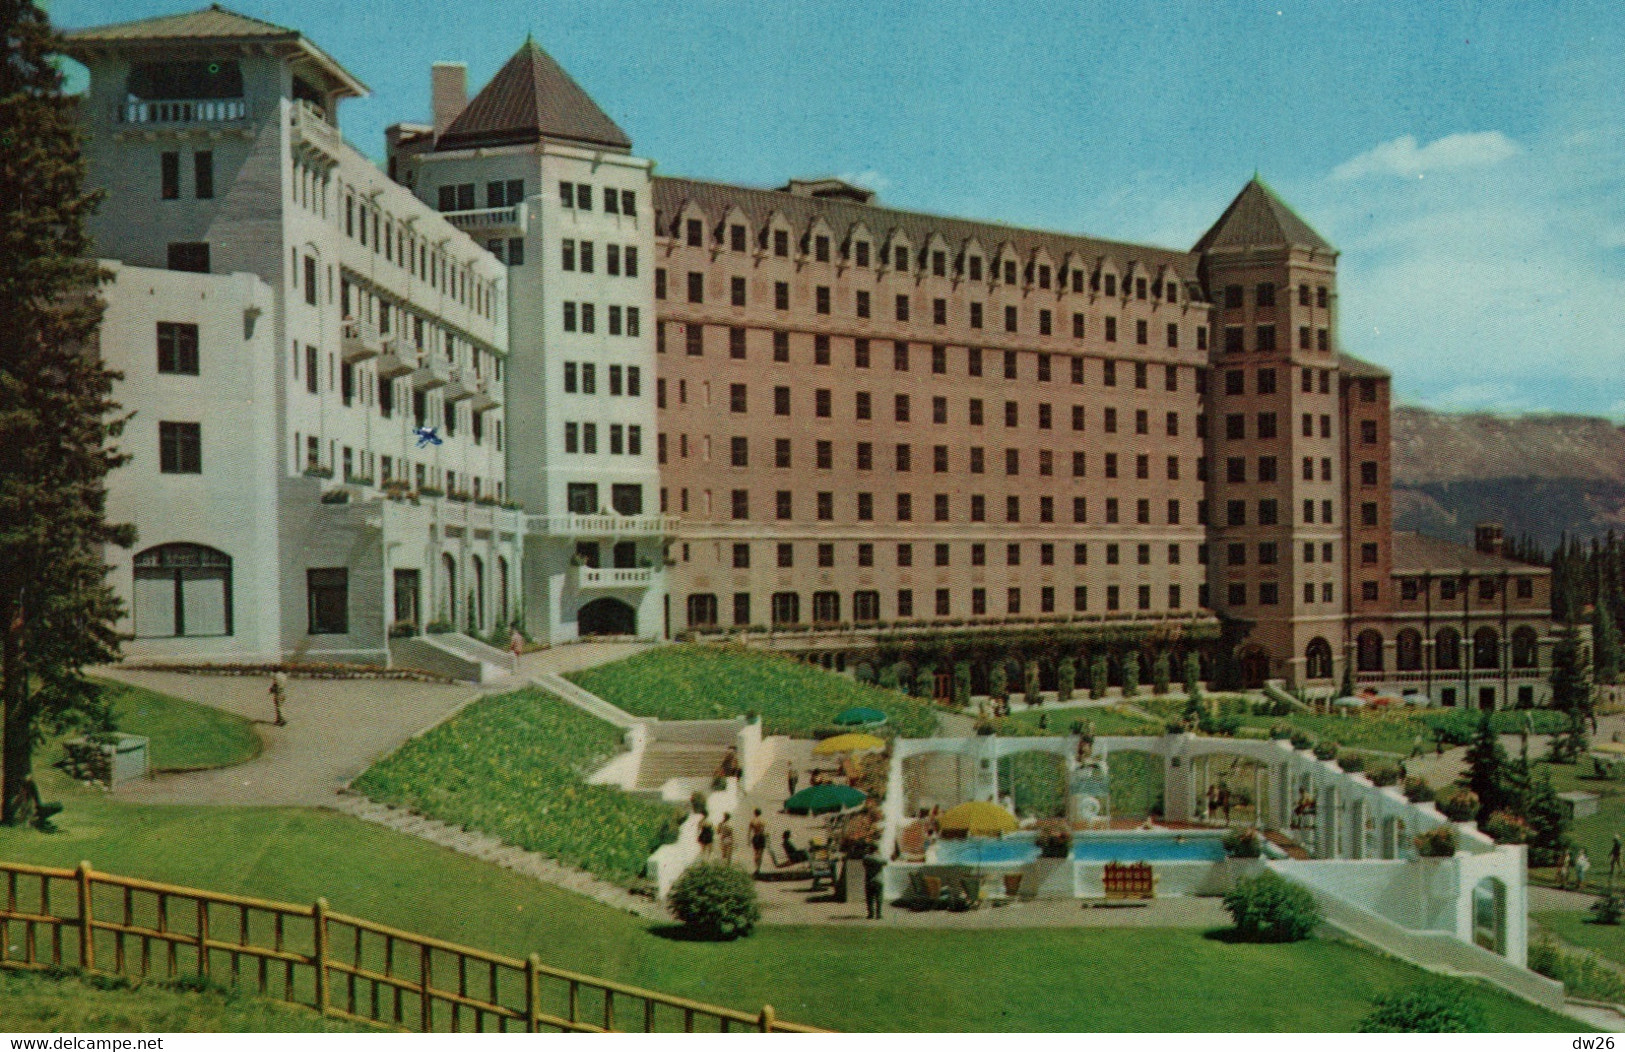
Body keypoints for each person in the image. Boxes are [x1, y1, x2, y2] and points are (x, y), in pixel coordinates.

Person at [862, 847, 887, 920]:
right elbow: (885, 862)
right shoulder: (880, 858)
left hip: (869, 880)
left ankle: (870, 914)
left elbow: (864, 863)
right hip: (879, 879)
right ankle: (878, 914)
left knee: (869, 898)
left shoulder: (866, 858)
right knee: (879, 898)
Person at [749, 809, 768, 876]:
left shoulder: (752, 821)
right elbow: (765, 831)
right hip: (762, 837)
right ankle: (758, 869)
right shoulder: (763, 821)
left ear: (754, 813)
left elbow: (749, 832)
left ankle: (756, 868)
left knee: (756, 853)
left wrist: (748, 841)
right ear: (760, 813)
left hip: (755, 836)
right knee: (760, 854)